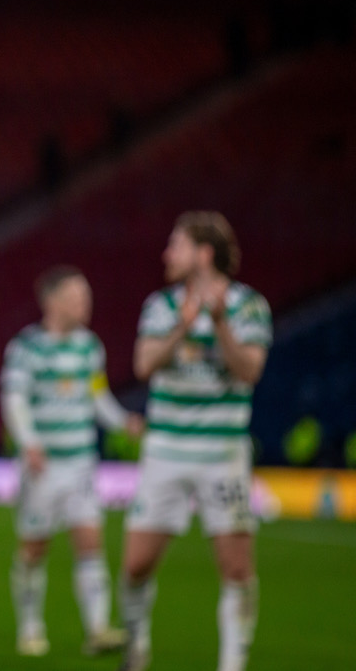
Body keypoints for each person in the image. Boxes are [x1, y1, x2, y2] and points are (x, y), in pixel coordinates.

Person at [120, 212, 270, 671]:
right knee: (136, 564)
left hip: (222, 455)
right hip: (165, 450)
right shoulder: (161, 307)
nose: (167, 254)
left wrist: (220, 323)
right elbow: (144, 365)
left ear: (204, 253)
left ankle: (232, 663)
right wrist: (183, 327)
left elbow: (249, 371)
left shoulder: (247, 307)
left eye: (176, 245)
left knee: (236, 568)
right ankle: (137, 646)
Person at [1, 265, 143, 657]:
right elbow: (14, 400)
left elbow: (97, 396)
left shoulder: (89, 346)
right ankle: (30, 627)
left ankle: (97, 629)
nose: (86, 304)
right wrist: (29, 442)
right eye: (77, 297)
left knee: (90, 543)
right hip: (41, 466)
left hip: (80, 462)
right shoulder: (26, 347)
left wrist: (123, 422)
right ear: (53, 301)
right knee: (33, 549)